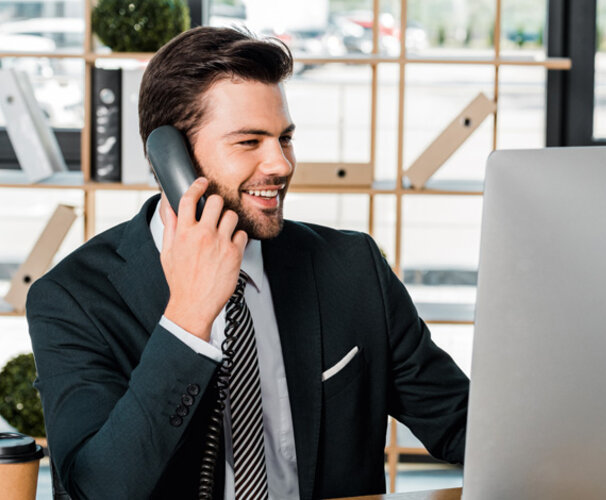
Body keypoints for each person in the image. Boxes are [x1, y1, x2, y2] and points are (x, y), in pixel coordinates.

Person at [26, 26, 469, 500]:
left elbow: (464, 426)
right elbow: (96, 490)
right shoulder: (73, 298)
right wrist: (188, 319)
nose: (280, 164)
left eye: (284, 138)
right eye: (249, 142)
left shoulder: (353, 268)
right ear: (171, 158)